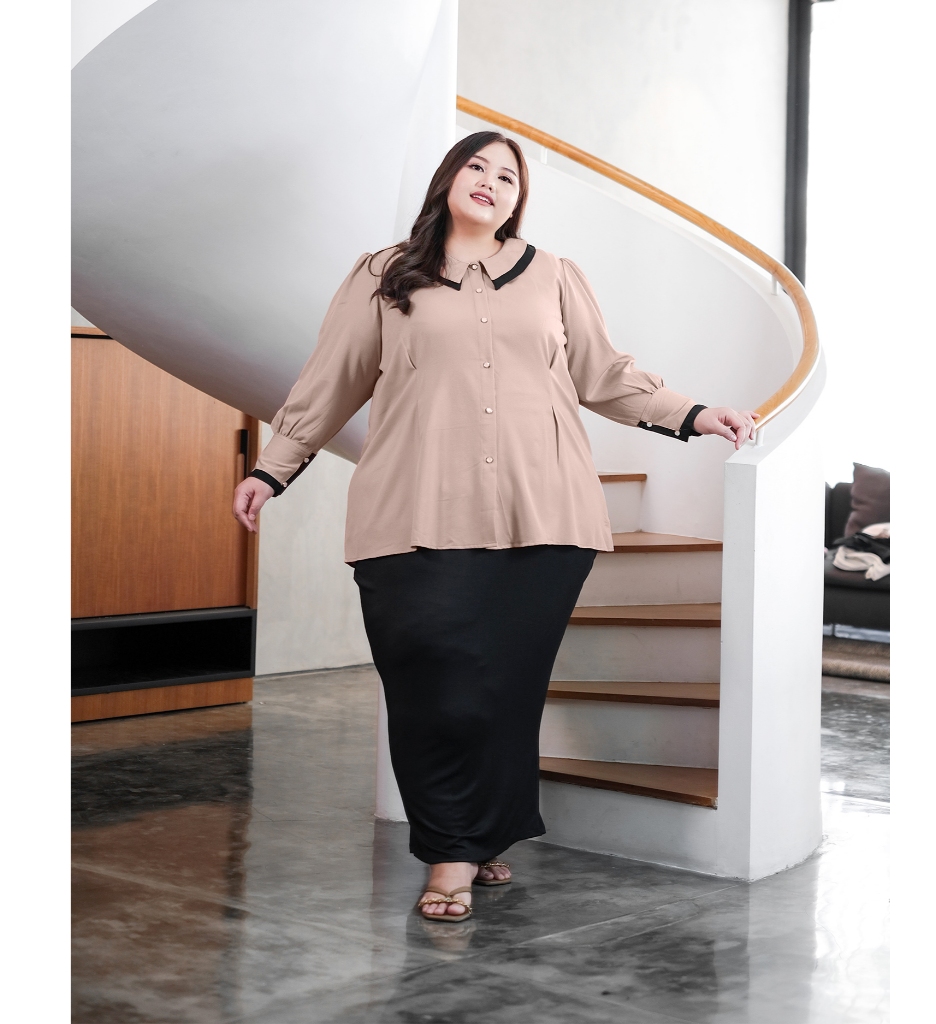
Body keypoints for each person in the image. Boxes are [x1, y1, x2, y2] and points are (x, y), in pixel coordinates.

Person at [233, 131, 756, 923]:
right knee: (431, 686)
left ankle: (476, 840)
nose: (490, 181)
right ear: (448, 178)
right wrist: (272, 468)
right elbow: (327, 383)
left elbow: (605, 376)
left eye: (508, 176)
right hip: (412, 512)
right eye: (477, 166)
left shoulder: (554, 276)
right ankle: (452, 845)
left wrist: (695, 413)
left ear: (519, 199)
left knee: (505, 692)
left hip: (544, 513)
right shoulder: (383, 276)